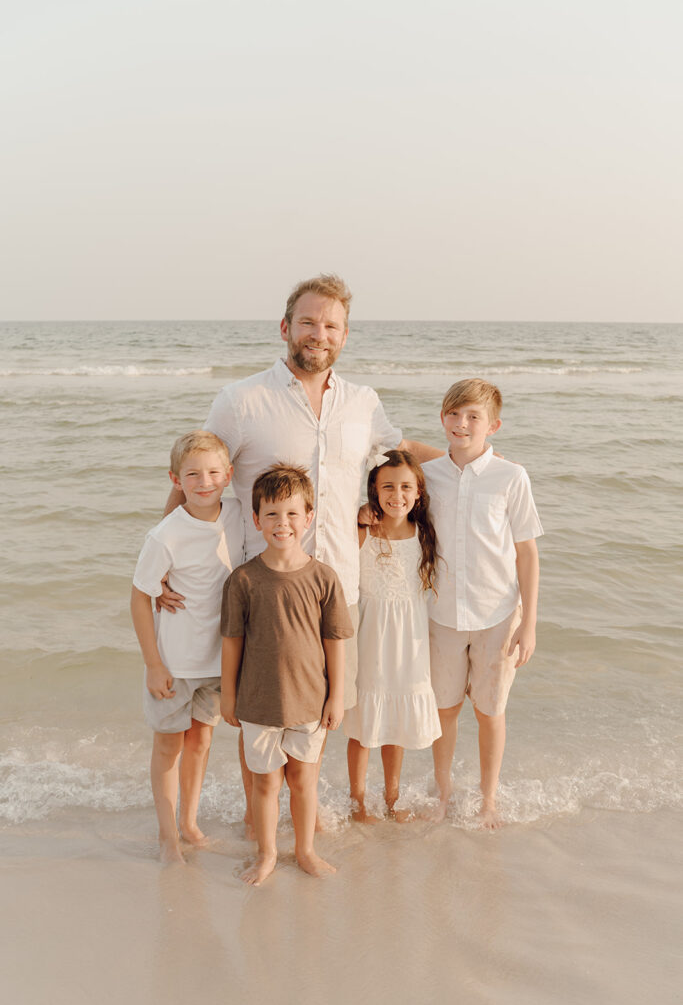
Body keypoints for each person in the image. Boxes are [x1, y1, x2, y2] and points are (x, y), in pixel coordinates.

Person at [160, 274, 441, 834]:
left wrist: (476, 462)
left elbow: (402, 451)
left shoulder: (363, 402)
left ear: (344, 335)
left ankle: (305, 823)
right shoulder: (241, 400)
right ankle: (257, 821)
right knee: (261, 710)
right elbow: (197, 476)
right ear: (286, 327)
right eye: (309, 322)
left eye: (331, 325)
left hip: (339, 585)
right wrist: (164, 560)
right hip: (259, 586)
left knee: (325, 710)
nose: (320, 334)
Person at [220, 465, 353, 885]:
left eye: (293, 514)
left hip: (310, 700)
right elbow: (232, 642)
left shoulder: (323, 577)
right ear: (256, 520)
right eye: (272, 514)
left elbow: (335, 640)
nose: (283, 524)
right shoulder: (243, 579)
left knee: (303, 780)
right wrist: (228, 696)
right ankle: (267, 854)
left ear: (308, 516)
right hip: (258, 701)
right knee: (265, 785)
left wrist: (337, 696)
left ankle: (305, 850)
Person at [423, 379, 542, 829]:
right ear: (442, 418)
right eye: (454, 414)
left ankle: (488, 798)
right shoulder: (428, 476)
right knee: (445, 710)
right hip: (442, 613)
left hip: (497, 615)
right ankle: (443, 792)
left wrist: (529, 623)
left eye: (473, 416)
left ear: (492, 426)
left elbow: (527, 553)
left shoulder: (511, 476)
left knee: (490, 711)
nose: (462, 423)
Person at [130, 431, 244, 863]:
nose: (204, 481)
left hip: (218, 661)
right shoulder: (166, 534)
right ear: (175, 479)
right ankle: (167, 836)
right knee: (169, 746)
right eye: (193, 474)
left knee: (200, 742)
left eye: (214, 472)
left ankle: (190, 822)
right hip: (175, 664)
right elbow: (140, 596)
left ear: (229, 475)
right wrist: (153, 664)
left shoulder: (237, 515)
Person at [344, 450, 442, 822]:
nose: (396, 495)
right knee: (363, 726)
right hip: (370, 637)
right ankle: (357, 801)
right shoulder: (364, 530)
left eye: (405, 486)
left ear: (418, 492)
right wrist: (357, 516)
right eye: (387, 486)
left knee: (395, 725)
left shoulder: (424, 533)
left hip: (409, 642)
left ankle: (391, 797)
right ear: (373, 490)